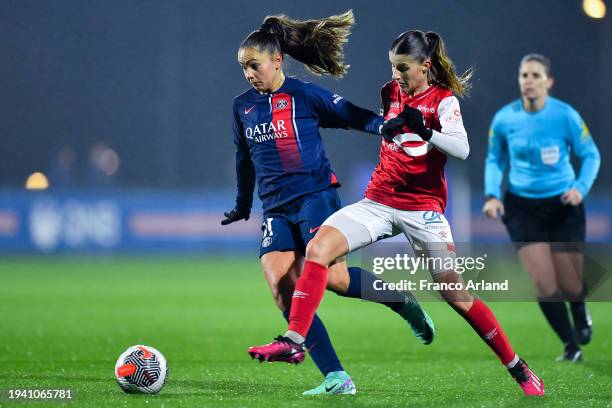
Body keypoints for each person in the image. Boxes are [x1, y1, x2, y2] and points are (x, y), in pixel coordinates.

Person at [248, 30, 545, 397]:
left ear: (426, 65)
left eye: (403, 68)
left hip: (423, 211)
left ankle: (517, 366)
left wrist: (427, 130)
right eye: (392, 68)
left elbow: (463, 149)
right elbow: (387, 130)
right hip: (377, 202)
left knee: (456, 295)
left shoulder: (443, 100)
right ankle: (295, 338)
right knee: (319, 249)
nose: (396, 76)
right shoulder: (390, 92)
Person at [222, 11, 434, 396]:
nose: (249, 74)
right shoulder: (243, 106)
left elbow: (351, 114)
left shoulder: (305, 95)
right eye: (243, 68)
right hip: (275, 208)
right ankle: (336, 377)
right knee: (280, 286)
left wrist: (383, 126)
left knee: (335, 278)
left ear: (277, 61)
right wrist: (242, 204)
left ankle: (402, 301)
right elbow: (243, 158)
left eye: (254, 66)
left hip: (315, 197)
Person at [483, 53, 600, 362]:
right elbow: (495, 159)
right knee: (543, 280)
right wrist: (492, 195)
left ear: (549, 82)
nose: (529, 81)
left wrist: (580, 189)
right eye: (524, 76)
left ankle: (580, 308)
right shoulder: (505, 119)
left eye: (535, 76)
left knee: (570, 280)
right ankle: (571, 345)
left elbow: (591, 155)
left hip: (564, 203)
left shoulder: (565, 116)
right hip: (521, 207)